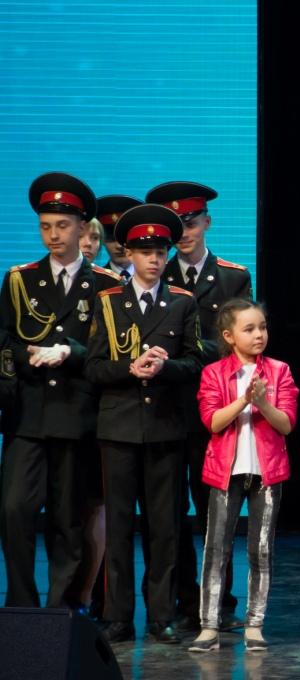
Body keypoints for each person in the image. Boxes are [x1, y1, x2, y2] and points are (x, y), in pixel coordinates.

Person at [0, 172, 120, 610]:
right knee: (14, 509)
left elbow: (108, 352)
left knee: (68, 517)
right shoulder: (20, 279)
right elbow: (5, 340)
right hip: (29, 413)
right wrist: (25, 356)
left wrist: (69, 352)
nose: (53, 235)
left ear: (83, 228)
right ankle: (21, 603)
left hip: (75, 413)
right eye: (45, 226)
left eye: (62, 226)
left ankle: (60, 609)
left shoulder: (104, 284)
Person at [85, 204, 203, 644]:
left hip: (165, 428)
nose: (154, 259)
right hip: (118, 429)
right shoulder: (108, 301)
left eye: (160, 252)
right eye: (145, 251)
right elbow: (94, 367)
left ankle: (161, 616)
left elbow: (195, 362)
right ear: (129, 254)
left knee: (164, 527)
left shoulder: (182, 302)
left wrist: (164, 367)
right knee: (118, 526)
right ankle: (118, 616)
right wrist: (128, 368)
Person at [148, 180, 253, 632]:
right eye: (177, 226)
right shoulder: (158, 275)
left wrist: (188, 352)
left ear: (206, 222)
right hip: (167, 408)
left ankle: (219, 601)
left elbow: (238, 342)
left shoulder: (231, 276)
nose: (185, 233)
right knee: (169, 513)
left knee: (216, 511)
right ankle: (182, 598)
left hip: (215, 411)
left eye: (191, 223)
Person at [188, 299, 299, 653]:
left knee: (261, 550)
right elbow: (213, 422)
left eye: (262, 327)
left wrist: (263, 402)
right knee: (216, 550)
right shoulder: (214, 373)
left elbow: (286, 424)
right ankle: (209, 626)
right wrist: (244, 400)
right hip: (226, 473)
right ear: (229, 336)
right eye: (249, 329)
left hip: (266, 473)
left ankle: (255, 624)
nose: (258, 335)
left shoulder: (279, 371)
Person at [95, 195, 141, 280]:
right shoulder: (93, 281)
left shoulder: (159, 279)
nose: (119, 246)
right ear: (102, 240)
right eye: (111, 238)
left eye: (124, 238)